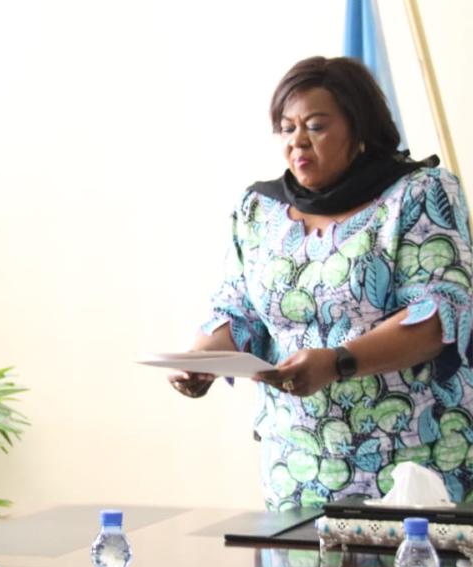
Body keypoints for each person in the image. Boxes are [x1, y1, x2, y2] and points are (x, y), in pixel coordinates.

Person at [170, 56, 473, 511]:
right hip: (295, 468)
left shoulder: (419, 193)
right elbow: (238, 310)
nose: (298, 142)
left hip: (412, 463)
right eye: (287, 128)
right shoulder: (259, 210)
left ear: (359, 128)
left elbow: (439, 315)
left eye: (315, 125)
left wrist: (337, 362)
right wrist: (200, 360)